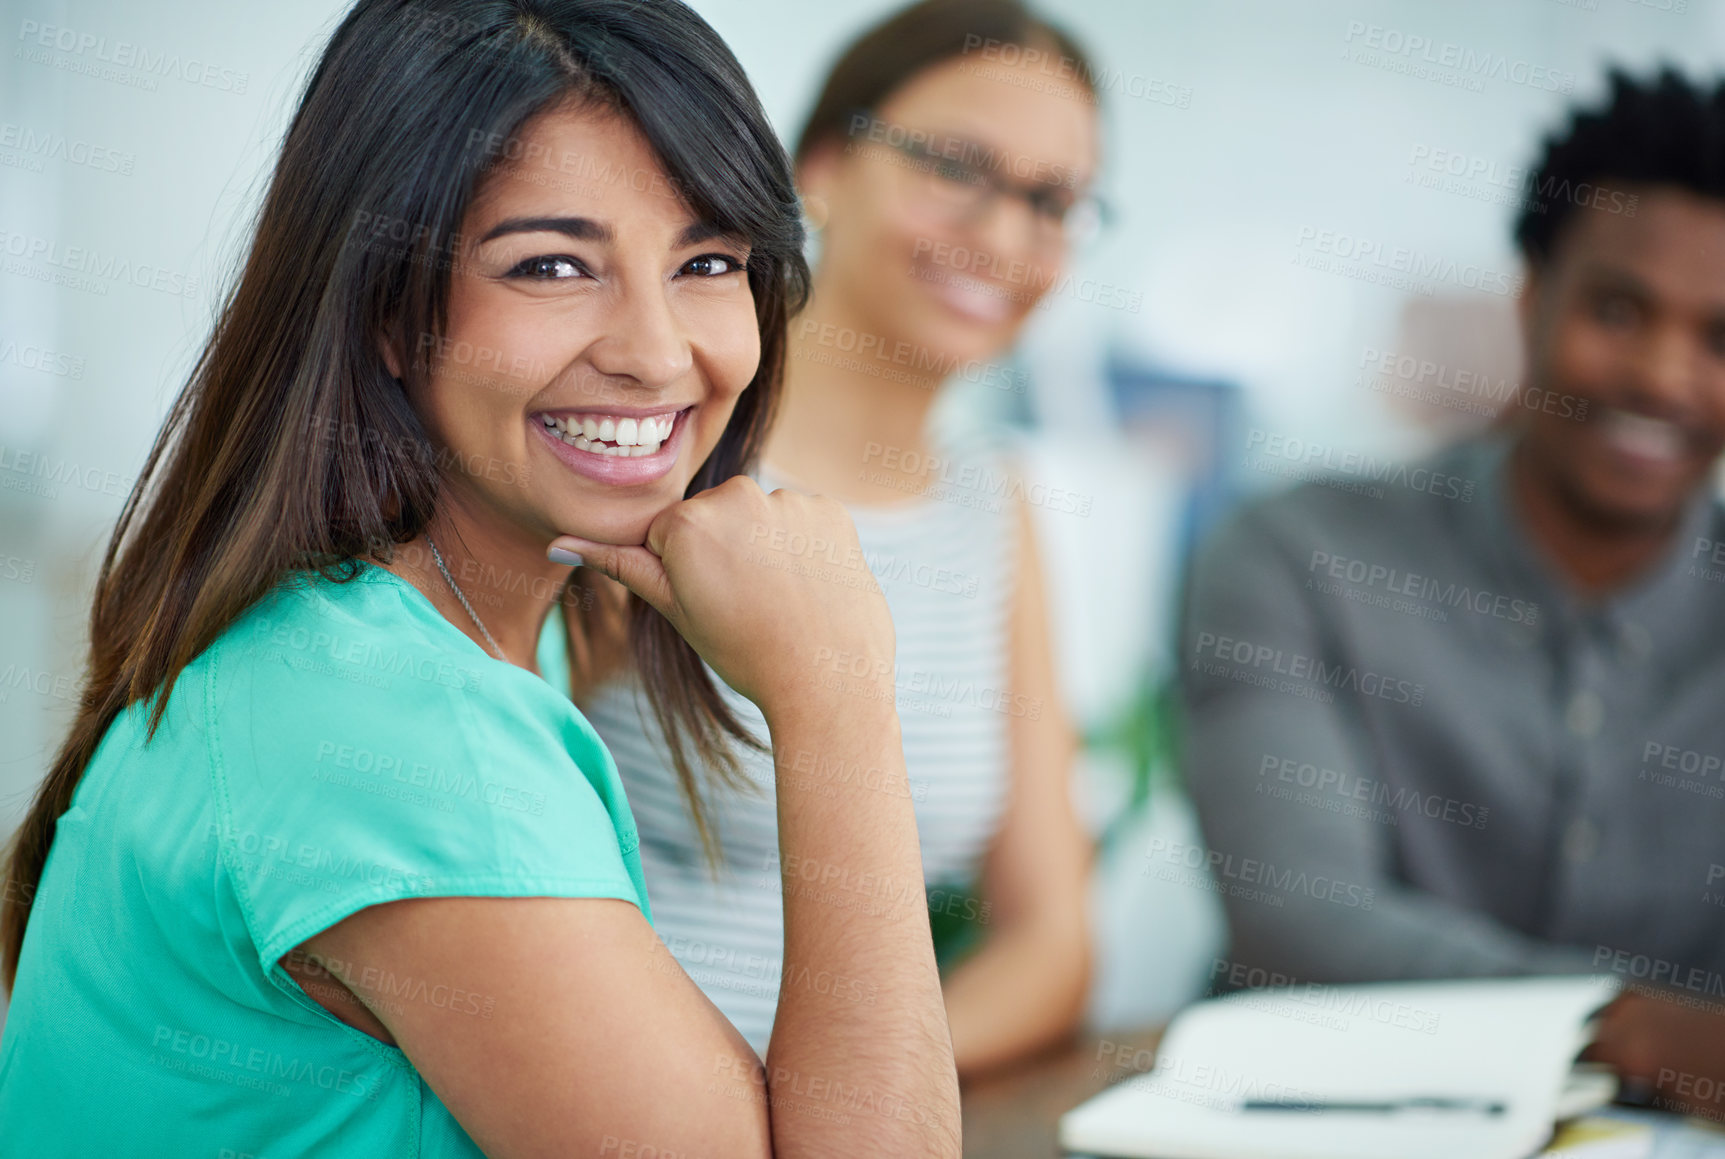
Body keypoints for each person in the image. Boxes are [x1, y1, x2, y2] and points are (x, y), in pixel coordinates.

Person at [0, 1, 962, 1154]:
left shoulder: (413, 628)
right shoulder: (391, 730)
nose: (659, 351)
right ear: (389, 314)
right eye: (552, 265)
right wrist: (839, 695)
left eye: (707, 261)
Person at [1179, 67, 1725, 1114]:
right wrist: (1652, 1030)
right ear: (1531, 298)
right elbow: (1298, 920)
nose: (1664, 375)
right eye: (1619, 309)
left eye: (1721, 337)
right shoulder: (1297, 553)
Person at [576, 0, 1101, 1077]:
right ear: (821, 167)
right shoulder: (657, 452)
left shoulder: (996, 507)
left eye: (1051, 201)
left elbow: (1052, 942)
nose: (1004, 235)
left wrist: (857, 1095)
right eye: (958, 166)